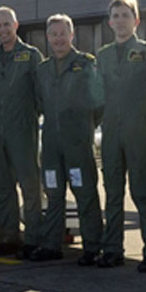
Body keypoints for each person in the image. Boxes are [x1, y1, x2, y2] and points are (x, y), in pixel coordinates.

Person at [96, 0, 146, 270]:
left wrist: (144, 118)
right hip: (111, 135)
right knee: (112, 194)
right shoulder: (103, 56)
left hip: (140, 135)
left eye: (126, 15)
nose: (120, 21)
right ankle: (112, 249)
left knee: (145, 192)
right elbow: (96, 95)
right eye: (116, 16)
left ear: (136, 20)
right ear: (110, 22)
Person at [34, 14, 104, 262]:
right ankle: (51, 245)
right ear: (48, 37)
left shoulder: (86, 64)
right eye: (53, 34)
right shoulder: (42, 70)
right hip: (52, 146)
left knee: (84, 194)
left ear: (71, 35)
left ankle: (93, 247)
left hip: (78, 146)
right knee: (53, 194)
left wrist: (82, 127)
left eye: (62, 33)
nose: (58, 39)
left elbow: (99, 103)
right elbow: (39, 103)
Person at [0, 6, 44, 258]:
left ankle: (33, 238)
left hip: (23, 132)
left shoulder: (31, 56)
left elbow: (41, 95)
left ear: (16, 25)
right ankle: (9, 237)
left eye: (6, 25)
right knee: (3, 187)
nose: (2, 30)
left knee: (30, 187)